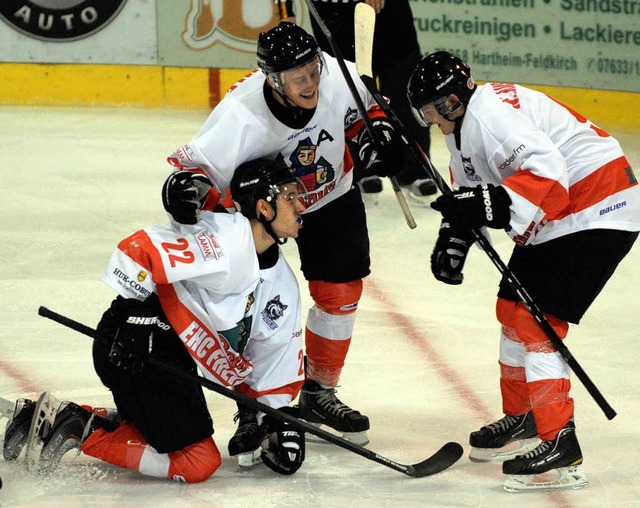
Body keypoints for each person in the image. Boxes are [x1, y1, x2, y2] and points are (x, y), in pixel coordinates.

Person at [162, 22, 408, 445]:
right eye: (299, 77)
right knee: (252, 309)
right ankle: (253, 406)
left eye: (314, 71)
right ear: (272, 79)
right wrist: (183, 191)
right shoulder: (240, 114)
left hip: (332, 197)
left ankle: (318, 392)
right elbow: (193, 174)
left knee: (341, 293)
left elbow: (370, 113)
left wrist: (378, 138)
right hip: (262, 214)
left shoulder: (337, 74)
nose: (312, 82)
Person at [407, 51, 640, 491]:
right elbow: (472, 194)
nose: (435, 118)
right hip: (563, 212)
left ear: (456, 99)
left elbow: (549, 176)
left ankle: (560, 442)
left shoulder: (492, 117)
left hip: (598, 204)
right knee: (511, 309)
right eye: (428, 112)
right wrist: (454, 239)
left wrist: (487, 206)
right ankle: (525, 418)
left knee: (538, 323)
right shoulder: (461, 129)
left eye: (439, 108)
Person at [3, 159, 309, 480]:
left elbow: (276, 360)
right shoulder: (226, 240)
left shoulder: (283, 286)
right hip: (132, 347)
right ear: (263, 207)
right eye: (289, 197)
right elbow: (137, 250)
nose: (301, 204)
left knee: (180, 441)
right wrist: (138, 320)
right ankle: (79, 428)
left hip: (168, 359)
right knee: (197, 461)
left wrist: (275, 419)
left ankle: (84, 419)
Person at [276, 0, 436, 199]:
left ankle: (414, 169)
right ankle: (361, 169)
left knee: (402, 87)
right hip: (333, 13)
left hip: (387, 14)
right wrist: (285, 10)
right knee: (349, 92)